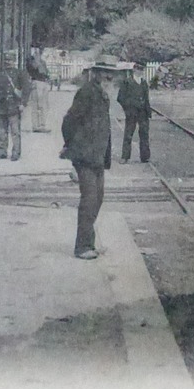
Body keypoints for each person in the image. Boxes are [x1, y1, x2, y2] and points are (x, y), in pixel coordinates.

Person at [61, 55, 128, 259]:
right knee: (89, 199)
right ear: (96, 74)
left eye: (112, 75)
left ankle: (88, 243)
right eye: (105, 74)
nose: (109, 78)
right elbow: (68, 122)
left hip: (97, 156)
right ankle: (82, 247)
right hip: (85, 156)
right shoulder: (87, 93)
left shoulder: (102, 95)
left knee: (97, 198)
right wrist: (73, 151)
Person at [0, 50, 29, 160]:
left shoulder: (19, 74)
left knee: (15, 131)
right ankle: (2, 151)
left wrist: (23, 103)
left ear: (14, 61)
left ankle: (16, 152)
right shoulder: (0, 75)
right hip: (1, 107)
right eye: (6, 60)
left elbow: (26, 89)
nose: (8, 63)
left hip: (14, 106)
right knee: (2, 131)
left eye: (10, 60)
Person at [116, 63, 151, 163]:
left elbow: (146, 98)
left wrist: (148, 110)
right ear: (134, 69)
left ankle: (145, 157)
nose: (140, 71)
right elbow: (120, 98)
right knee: (128, 134)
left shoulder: (144, 83)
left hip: (143, 112)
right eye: (138, 69)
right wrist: (128, 107)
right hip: (132, 112)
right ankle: (125, 157)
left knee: (144, 134)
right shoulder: (127, 82)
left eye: (142, 69)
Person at [26, 49, 52, 133]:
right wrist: (36, 59)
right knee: (36, 105)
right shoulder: (31, 61)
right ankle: (36, 125)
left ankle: (42, 124)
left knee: (44, 105)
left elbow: (46, 72)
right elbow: (34, 68)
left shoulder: (42, 61)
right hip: (36, 82)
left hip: (43, 82)